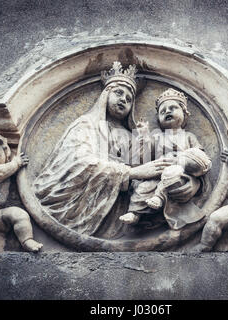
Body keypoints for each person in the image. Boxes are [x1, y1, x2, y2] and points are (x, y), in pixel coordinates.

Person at [33, 62, 202, 239]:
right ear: (105, 95)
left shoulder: (130, 137)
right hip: (75, 205)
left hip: (120, 211)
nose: (123, 100)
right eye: (119, 93)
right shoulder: (86, 125)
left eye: (129, 99)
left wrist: (189, 181)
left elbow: (150, 165)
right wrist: (130, 172)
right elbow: (79, 163)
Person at [119, 88, 211, 230]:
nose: (167, 111)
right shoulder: (157, 137)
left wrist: (192, 161)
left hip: (179, 171)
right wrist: (143, 136)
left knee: (171, 177)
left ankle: (159, 198)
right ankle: (134, 213)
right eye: (163, 111)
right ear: (158, 119)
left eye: (173, 108)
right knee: (144, 187)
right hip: (157, 172)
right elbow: (145, 157)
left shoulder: (188, 137)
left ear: (185, 114)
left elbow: (198, 156)